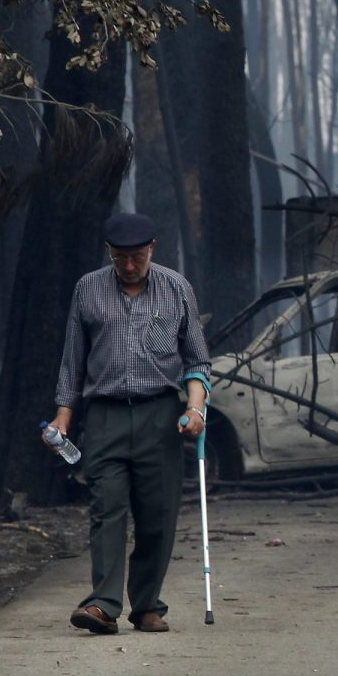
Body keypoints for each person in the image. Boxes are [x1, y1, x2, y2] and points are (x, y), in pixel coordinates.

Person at [50, 212, 210, 634]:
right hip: (104, 415)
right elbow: (72, 362)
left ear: (151, 250)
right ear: (110, 253)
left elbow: (197, 360)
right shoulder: (88, 289)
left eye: (137, 257)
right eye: (121, 258)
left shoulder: (176, 288)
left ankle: (147, 605)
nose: (129, 266)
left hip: (161, 414)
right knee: (107, 510)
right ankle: (102, 604)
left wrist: (195, 410)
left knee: (158, 515)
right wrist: (63, 418)